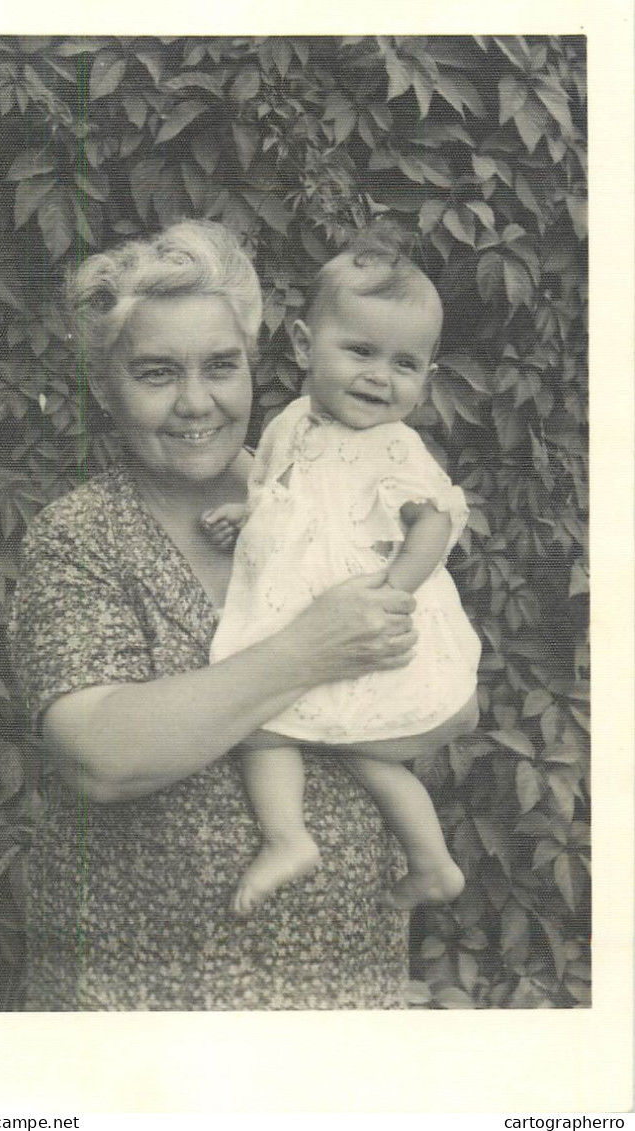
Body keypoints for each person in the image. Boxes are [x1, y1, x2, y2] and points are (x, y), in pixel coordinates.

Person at [8, 219, 433, 1011]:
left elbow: (448, 705)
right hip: (145, 1009)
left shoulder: (330, 498)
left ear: (254, 365)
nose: (195, 402)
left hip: (343, 989)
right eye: (157, 372)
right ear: (106, 387)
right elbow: (100, 754)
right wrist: (309, 654)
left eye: (220, 367)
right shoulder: (81, 536)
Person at [207, 225, 481, 918]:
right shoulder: (289, 423)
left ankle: (287, 837)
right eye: (359, 350)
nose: (378, 376)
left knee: (264, 722)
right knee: (357, 748)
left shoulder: (395, 448)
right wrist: (246, 516)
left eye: (403, 363)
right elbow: (283, 494)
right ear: (303, 346)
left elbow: (434, 523)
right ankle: (430, 862)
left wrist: (389, 594)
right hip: (313, 615)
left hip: (369, 617)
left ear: (425, 378)